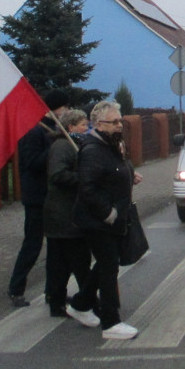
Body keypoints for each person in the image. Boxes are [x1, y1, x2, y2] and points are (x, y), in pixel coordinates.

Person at [69, 101, 141, 339]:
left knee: (105, 264)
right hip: (98, 221)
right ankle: (110, 323)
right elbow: (88, 188)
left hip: (112, 218)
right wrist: (109, 214)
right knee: (109, 267)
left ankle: (80, 304)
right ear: (99, 124)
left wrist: (130, 175)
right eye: (114, 122)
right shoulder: (92, 150)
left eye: (120, 121)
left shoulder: (110, 145)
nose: (119, 125)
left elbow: (115, 170)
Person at [7, 88, 69, 307]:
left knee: (54, 247)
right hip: (36, 198)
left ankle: (53, 291)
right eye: (64, 107)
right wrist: (54, 147)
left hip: (52, 197)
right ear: (55, 108)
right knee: (32, 245)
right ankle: (16, 289)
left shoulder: (52, 129)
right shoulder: (34, 131)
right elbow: (31, 163)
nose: (66, 111)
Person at [44, 109, 93, 318]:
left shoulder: (74, 145)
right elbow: (57, 174)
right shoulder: (62, 146)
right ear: (71, 127)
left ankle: (57, 303)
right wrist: (82, 177)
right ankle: (88, 303)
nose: (86, 128)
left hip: (65, 215)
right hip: (64, 216)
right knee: (78, 263)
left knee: (60, 265)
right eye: (83, 124)